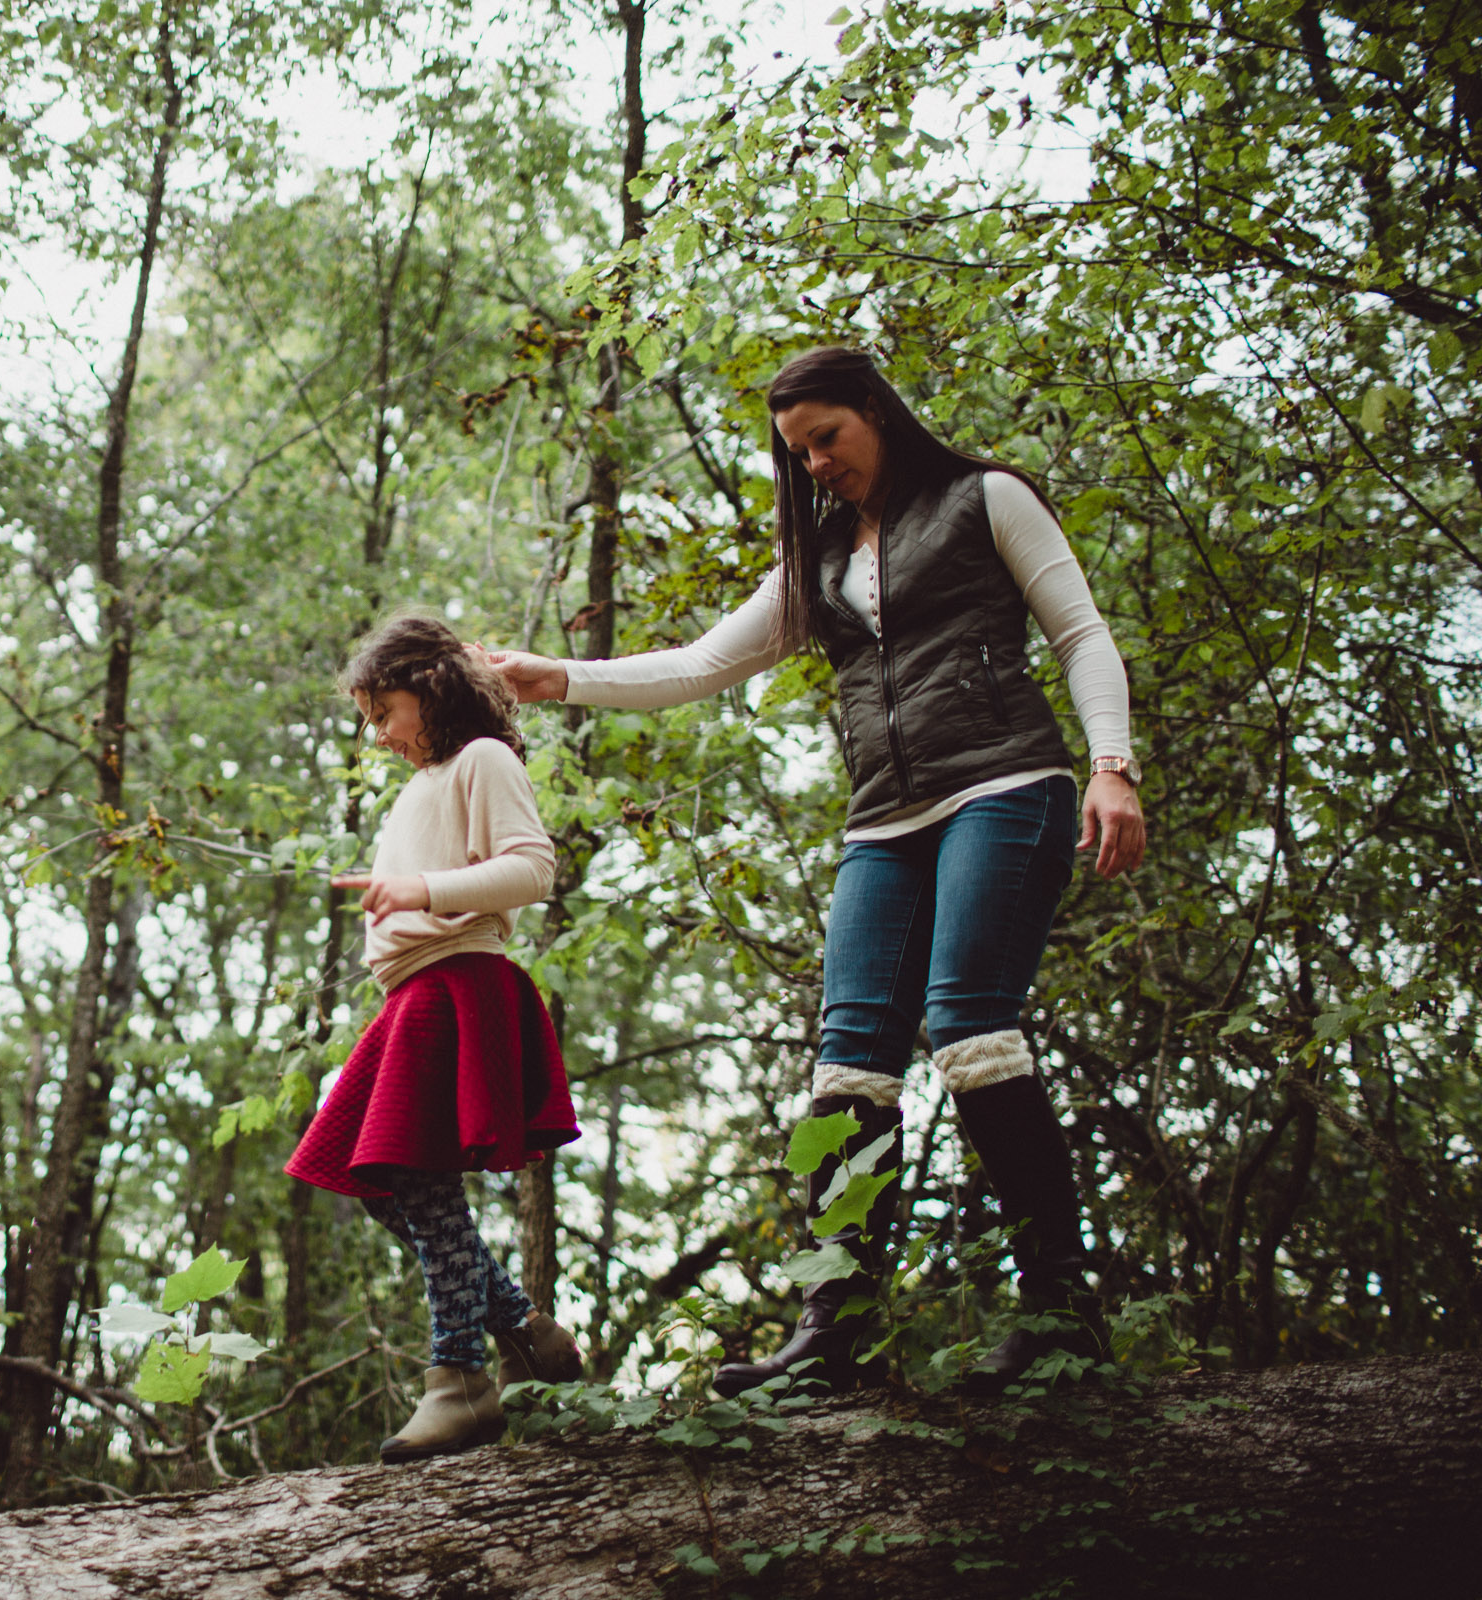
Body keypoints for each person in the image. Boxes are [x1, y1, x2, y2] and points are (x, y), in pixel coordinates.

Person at [485, 346, 1147, 1396]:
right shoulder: (823, 559)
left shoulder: (988, 498)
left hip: (1004, 785)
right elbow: (702, 663)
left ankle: (1061, 1310)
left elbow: (1080, 632)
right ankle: (838, 1327)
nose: (815, 466)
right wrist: (556, 678)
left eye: (826, 439)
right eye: (796, 454)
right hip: (884, 820)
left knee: (970, 1023)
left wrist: (1111, 767)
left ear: (879, 410)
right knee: (848, 1060)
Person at [284, 613, 586, 1461]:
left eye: (385, 712)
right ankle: (523, 1328)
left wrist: (417, 889)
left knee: (406, 1174)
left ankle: (458, 1377)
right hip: (412, 997)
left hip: (461, 981)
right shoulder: (421, 785)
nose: (377, 735)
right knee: (376, 1179)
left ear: (432, 687)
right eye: (369, 720)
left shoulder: (484, 759)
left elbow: (530, 870)